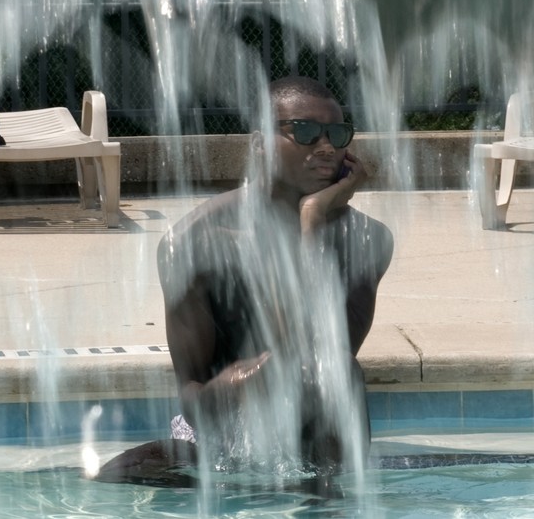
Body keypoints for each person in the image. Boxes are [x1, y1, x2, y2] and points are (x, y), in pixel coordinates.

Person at [94, 76, 393, 485]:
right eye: (304, 132)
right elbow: (192, 394)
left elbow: (325, 356)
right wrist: (249, 381)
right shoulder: (194, 243)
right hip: (221, 433)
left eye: (337, 134)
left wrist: (312, 221)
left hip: (314, 442)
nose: (326, 148)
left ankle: (330, 506)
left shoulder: (366, 240)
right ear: (259, 144)